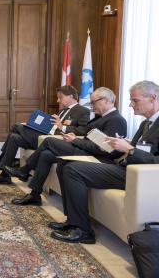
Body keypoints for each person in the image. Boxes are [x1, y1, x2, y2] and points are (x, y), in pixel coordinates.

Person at [50, 80, 159, 244]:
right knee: (65, 164)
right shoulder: (146, 123)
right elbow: (141, 149)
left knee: (73, 170)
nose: (130, 105)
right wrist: (124, 144)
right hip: (125, 167)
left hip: (139, 177)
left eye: (135, 100)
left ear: (152, 98)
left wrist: (129, 149)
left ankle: (83, 231)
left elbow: (152, 159)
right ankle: (72, 221)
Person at [5, 87, 127, 206]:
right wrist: (75, 137)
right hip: (85, 149)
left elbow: (105, 150)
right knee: (46, 155)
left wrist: (75, 141)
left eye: (94, 102)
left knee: (49, 141)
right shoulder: (102, 117)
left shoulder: (116, 120)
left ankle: (24, 170)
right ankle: (35, 194)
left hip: (94, 157)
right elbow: (88, 136)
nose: (91, 105)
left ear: (106, 100)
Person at [0, 85, 90, 184]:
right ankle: (4, 175)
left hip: (53, 141)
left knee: (16, 127)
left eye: (60, 97)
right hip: (45, 135)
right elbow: (54, 125)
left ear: (71, 96)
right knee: (14, 137)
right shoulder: (63, 110)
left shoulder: (83, 111)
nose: (58, 101)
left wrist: (62, 127)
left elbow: (83, 131)